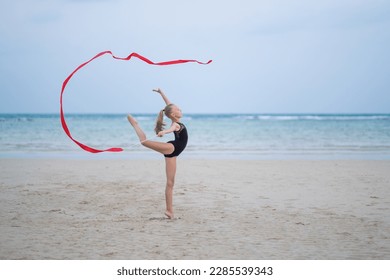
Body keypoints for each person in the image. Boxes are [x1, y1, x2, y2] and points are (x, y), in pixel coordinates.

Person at [127, 88, 188, 219]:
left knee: (170, 183)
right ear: (173, 114)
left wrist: (162, 93)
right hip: (172, 148)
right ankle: (135, 125)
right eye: (178, 109)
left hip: (174, 153)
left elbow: (168, 105)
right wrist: (163, 132)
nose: (180, 109)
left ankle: (169, 211)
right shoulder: (176, 124)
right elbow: (172, 127)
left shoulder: (174, 118)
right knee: (144, 142)